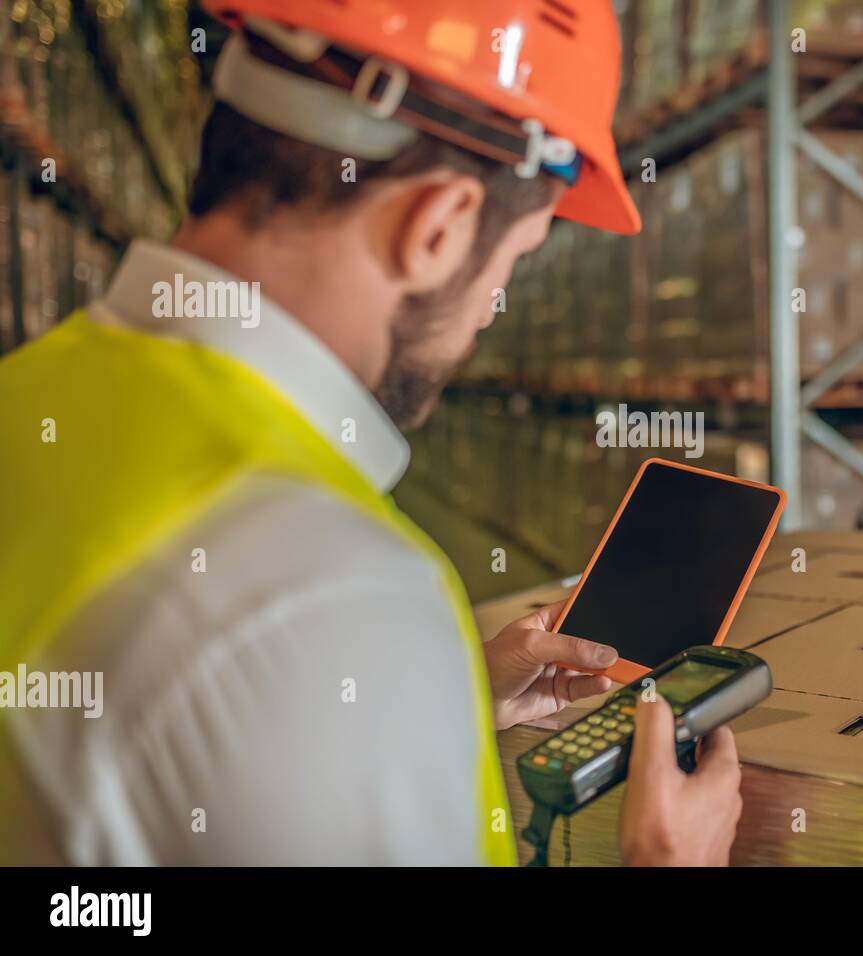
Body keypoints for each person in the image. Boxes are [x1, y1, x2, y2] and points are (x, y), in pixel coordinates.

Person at [0, 0, 742, 866]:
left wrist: (431, 700)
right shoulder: (335, 590)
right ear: (436, 229)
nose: (485, 319)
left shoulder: (34, 392)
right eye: (515, 260)